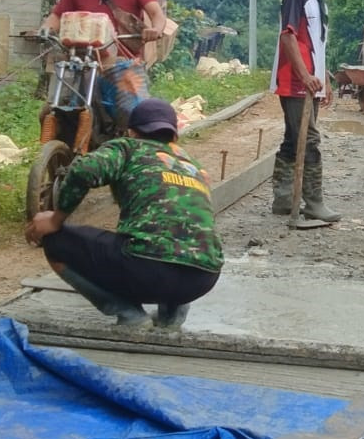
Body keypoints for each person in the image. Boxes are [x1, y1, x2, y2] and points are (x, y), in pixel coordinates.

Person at [24, 98, 222, 330]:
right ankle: (171, 318)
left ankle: (129, 314)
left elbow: (83, 170)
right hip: (203, 279)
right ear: (174, 136)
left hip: (147, 270)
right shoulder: (191, 165)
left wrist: (55, 219)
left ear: (131, 132)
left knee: (55, 242)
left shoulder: (127, 148)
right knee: (179, 241)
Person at [40, 0, 166, 127]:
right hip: (82, 61)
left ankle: (134, 139)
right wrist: (45, 29)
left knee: (133, 113)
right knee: (51, 111)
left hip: (122, 63)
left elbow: (156, 13)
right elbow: (57, 15)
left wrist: (155, 29)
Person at [269, 0, 342, 226]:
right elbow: (288, 37)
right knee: (309, 139)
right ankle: (314, 202)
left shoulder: (319, 2)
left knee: (293, 138)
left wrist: (324, 80)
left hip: (312, 82)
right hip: (295, 82)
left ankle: (284, 197)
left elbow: (318, 45)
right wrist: (304, 76)